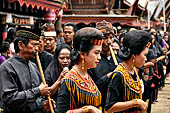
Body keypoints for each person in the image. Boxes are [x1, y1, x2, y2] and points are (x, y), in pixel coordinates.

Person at [0, 27, 53, 113]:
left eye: (38, 45)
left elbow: (37, 98)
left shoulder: (34, 66)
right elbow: (9, 99)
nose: (37, 49)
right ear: (21, 45)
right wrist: (38, 91)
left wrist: (43, 104)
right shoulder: (7, 67)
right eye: (34, 45)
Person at [56, 27, 104, 113]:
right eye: (96, 53)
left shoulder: (87, 75)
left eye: (100, 53)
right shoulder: (68, 80)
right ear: (82, 54)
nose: (99, 57)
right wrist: (87, 109)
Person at [105, 30, 151, 113]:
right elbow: (110, 107)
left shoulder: (134, 70)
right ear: (134, 55)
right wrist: (135, 103)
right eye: (144, 55)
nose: (146, 59)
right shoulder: (118, 75)